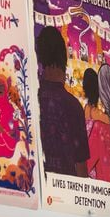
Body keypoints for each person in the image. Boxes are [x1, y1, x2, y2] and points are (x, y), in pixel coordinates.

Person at [36, 25, 89, 177]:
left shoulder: (33, 99)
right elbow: (81, 169)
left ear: (40, 58)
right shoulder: (73, 106)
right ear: (64, 58)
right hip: (65, 192)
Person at [0, 75, 20, 172]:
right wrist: (7, 134)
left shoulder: (12, 109)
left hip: (12, 156)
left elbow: (16, 134)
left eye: (2, 86)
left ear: (6, 87)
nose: (0, 89)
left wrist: (3, 132)